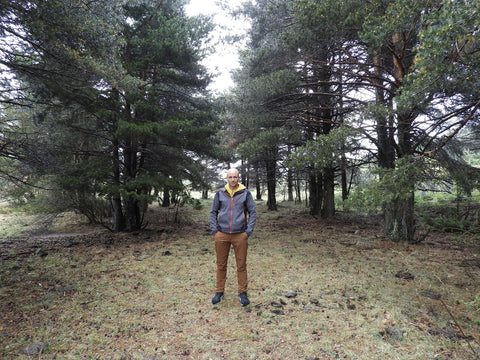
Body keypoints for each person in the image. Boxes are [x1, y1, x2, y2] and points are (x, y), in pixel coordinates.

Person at [209, 168, 257, 306]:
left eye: (235, 177)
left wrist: (247, 231)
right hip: (222, 234)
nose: (232, 180)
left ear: (239, 178)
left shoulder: (245, 193)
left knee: (241, 265)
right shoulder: (220, 193)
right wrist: (215, 230)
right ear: (226, 178)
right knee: (221, 265)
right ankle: (219, 292)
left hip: (240, 235)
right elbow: (213, 212)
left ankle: (243, 293)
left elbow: (252, 212)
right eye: (230, 177)